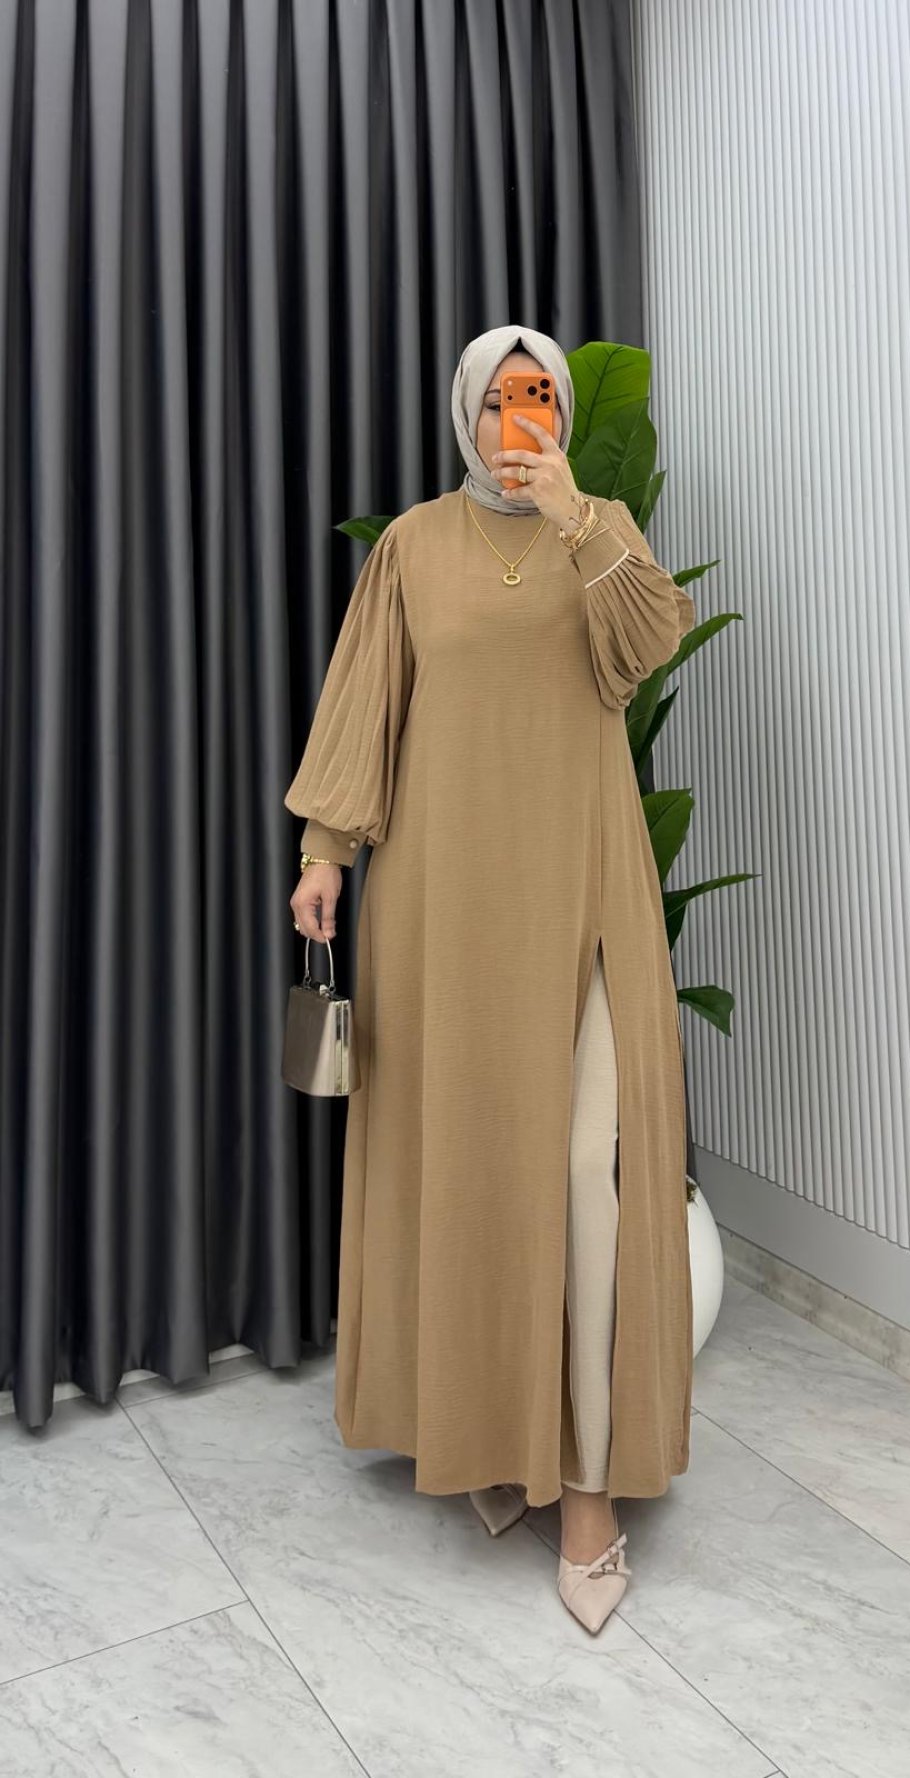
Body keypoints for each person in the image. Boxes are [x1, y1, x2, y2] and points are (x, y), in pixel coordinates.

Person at [285, 325, 696, 1634]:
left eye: (541, 399)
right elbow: (368, 699)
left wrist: (577, 515)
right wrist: (326, 852)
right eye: (499, 400)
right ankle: (488, 1434)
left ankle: (587, 1488)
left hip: (583, 885)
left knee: (583, 1171)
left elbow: (650, 643)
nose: (519, 420)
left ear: (561, 415)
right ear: (465, 413)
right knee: (463, 1164)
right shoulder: (414, 546)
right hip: (443, 898)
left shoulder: (603, 532)